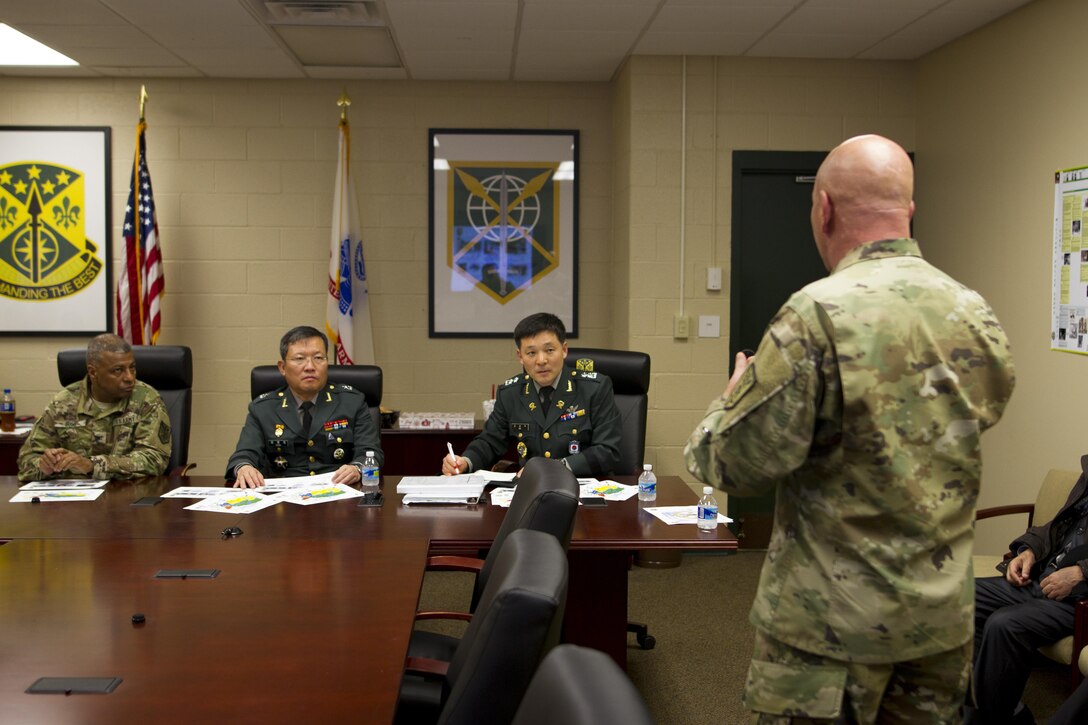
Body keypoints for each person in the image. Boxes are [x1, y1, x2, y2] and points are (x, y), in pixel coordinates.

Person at [683, 135, 1015, 722]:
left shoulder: (815, 315)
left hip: (831, 634)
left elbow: (732, 464)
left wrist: (729, 401)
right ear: (908, 212)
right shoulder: (973, 311)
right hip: (938, 627)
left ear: (824, 208)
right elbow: (985, 412)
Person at [970, 456, 1088, 724]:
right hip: (1044, 577)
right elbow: (1056, 526)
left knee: (1005, 624)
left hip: (1078, 598)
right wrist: (1028, 551)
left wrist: (1082, 572)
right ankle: (1005, 712)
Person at [442, 312, 621, 477]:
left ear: (564, 350)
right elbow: (490, 441)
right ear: (520, 356)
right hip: (531, 493)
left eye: (549, 350)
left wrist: (554, 468)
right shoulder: (511, 393)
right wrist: (465, 461)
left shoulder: (594, 388)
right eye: (531, 353)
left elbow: (608, 450)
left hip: (584, 490)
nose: (541, 360)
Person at [227, 325, 383, 488]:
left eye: (318, 358)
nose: (310, 366)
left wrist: (356, 468)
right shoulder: (262, 408)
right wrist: (244, 467)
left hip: (339, 495)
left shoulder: (352, 402)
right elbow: (243, 455)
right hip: (282, 501)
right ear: (282, 368)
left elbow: (371, 452)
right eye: (299, 359)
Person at [17, 333, 172, 482]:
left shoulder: (146, 399)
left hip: (127, 494)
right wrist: (43, 466)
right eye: (118, 370)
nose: (129, 377)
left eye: (132, 367)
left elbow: (154, 459)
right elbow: (27, 459)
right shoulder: (63, 403)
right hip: (72, 499)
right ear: (93, 372)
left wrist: (92, 465)